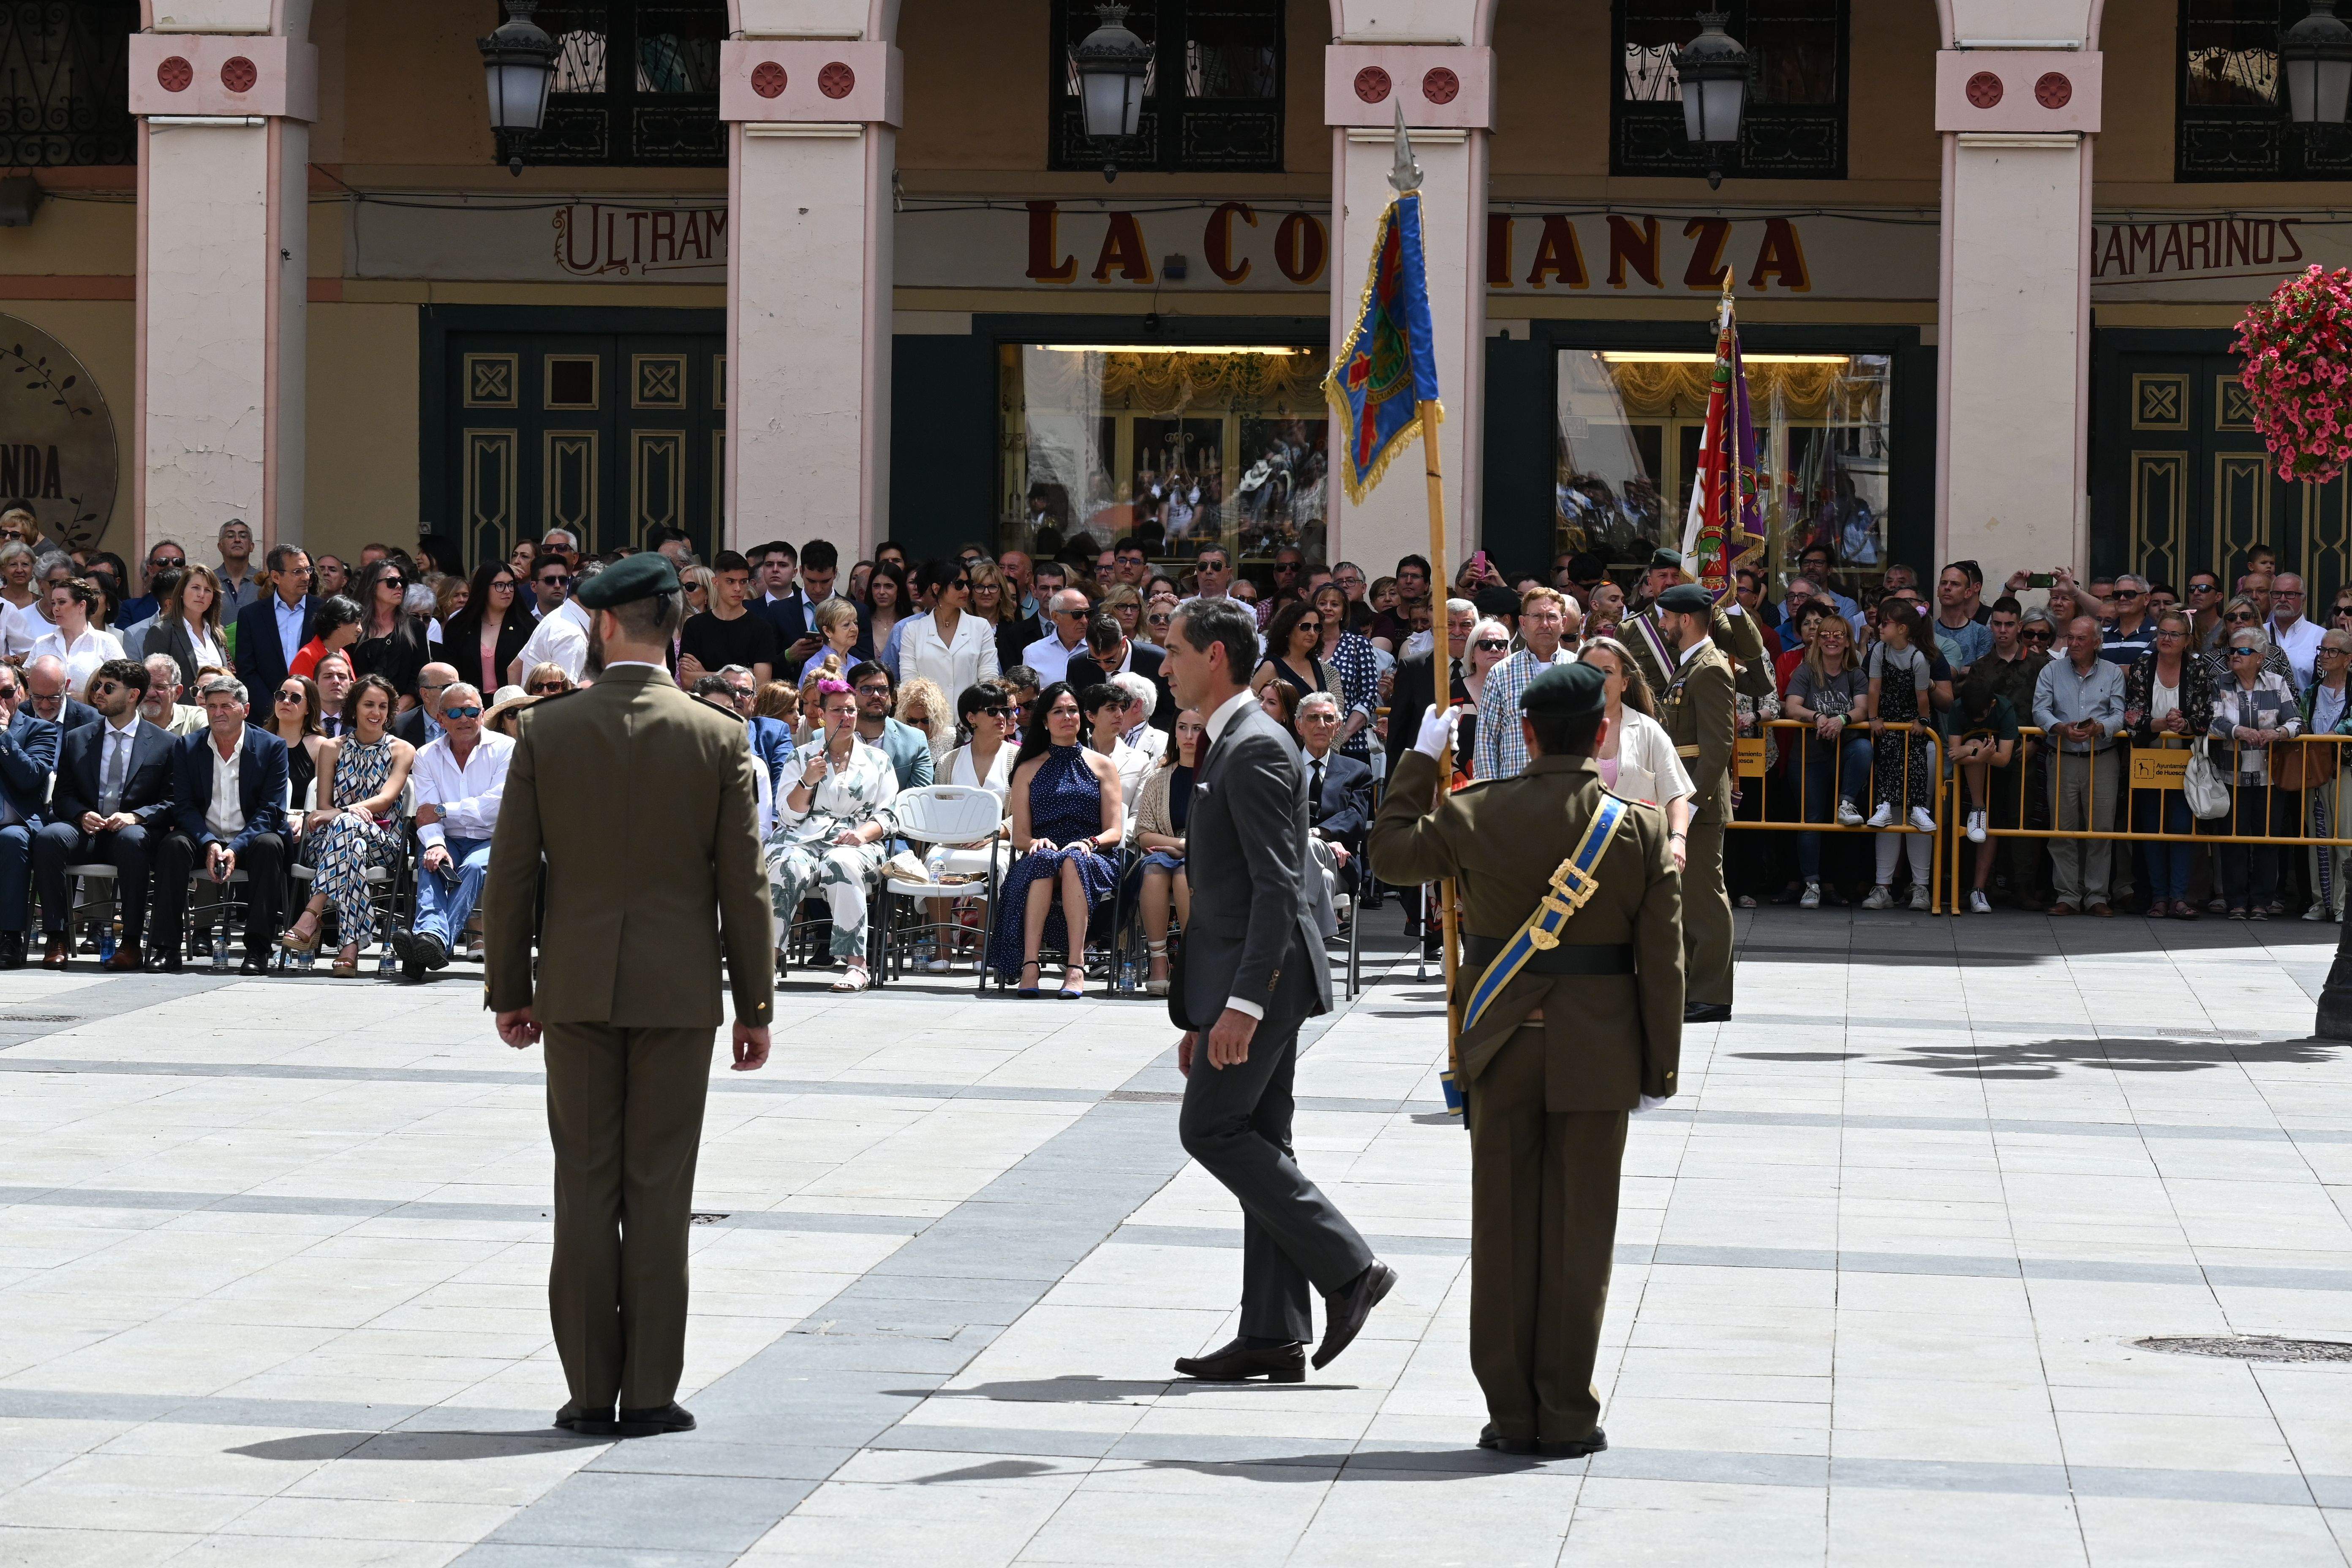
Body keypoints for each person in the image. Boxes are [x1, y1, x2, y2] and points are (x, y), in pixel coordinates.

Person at [485, 551, 772, 1440]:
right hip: (679, 992)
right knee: (659, 1189)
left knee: (585, 1185)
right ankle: (649, 1390)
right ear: (673, 629)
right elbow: (744, 885)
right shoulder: (719, 736)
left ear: (605, 626)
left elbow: (511, 875)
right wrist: (754, 1003)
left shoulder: (548, 730)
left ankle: (586, 1392)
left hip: (572, 988)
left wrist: (509, 988)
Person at [1369, 662, 1679, 1455]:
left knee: (1504, 1228)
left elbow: (1390, 855)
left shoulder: (1475, 811)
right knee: (1581, 1235)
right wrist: (1657, 1067)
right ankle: (1568, 1412)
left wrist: (1416, 757)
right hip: (1599, 1051)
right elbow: (1663, 959)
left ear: (1527, 732)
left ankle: (1510, 1411)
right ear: (1602, 733)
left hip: (1502, 1043)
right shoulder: (1637, 826)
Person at [1155, 596, 1390, 1385]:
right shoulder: (1235, 741)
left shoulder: (1253, 747)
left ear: (1214, 656)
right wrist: (1204, 1008)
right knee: (1261, 1140)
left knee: (1212, 1130)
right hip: (1247, 980)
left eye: (1176, 652)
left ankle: (1349, 1266)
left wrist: (1242, 1005)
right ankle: (1272, 1331)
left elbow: (1274, 887)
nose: (1165, 666)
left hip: (1267, 981)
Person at [33, 659, 175, 969]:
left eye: (108, 688)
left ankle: (131, 943)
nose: (98, 693)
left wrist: (136, 816)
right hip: (88, 831)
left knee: (132, 839)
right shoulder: (78, 738)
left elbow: (173, 801)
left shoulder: (165, 744)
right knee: (49, 837)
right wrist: (82, 814)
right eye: (97, 686)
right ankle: (56, 938)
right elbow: (63, 797)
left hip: (132, 833)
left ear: (134, 695)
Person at [149, 674, 289, 974]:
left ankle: (257, 949)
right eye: (212, 706)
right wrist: (209, 842)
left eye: (226, 705)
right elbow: (182, 806)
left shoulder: (271, 747)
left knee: (271, 844)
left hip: (250, 839)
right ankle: (167, 948)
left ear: (246, 710)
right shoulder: (187, 747)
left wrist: (236, 847)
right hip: (203, 837)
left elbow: (271, 810)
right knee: (172, 846)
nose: (218, 713)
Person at [277, 674, 417, 974]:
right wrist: (343, 815)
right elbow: (323, 804)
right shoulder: (331, 748)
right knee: (349, 837)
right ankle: (349, 947)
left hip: (384, 841)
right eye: (368, 704)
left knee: (347, 825)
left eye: (383, 706)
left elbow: (386, 799)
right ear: (354, 707)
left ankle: (312, 913)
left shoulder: (402, 749)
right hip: (333, 841)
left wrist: (344, 812)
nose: (376, 713)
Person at [989, 681, 1121, 998]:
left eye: (1073, 710)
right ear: (1045, 721)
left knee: (1073, 859)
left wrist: (1089, 843)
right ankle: (1030, 965)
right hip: (1042, 853)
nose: (1068, 717)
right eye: (1059, 711)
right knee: (1046, 860)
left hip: (1092, 855)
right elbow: (1020, 835)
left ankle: (1076, 966)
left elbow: (1115, 832)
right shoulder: (1028, 769)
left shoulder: (1103, 766)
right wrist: (1035, 843)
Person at [768, 678, 898, 993]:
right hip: (802, 837)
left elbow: (890, 814)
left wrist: (861, 836)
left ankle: (856, 965)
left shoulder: (878, 761)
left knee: (842, 863)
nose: (846, 717)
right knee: (786, 865)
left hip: (856, 839)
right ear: (822, 715)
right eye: (837, 710)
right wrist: (808, 781)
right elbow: (788, 815)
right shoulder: (801, 757)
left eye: (851, 710)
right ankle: (766, 961)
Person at [387, 680, 511, 978]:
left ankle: (431, 941)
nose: (465, 719)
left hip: (495, 837)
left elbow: (496, 804)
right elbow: (426, 813)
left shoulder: (507, 749)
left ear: (482, 714)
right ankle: (430, 940)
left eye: (471, 711)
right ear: (441, 719)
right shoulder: (427, 755)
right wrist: (435, 844)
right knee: (433, 863)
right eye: (455, 713)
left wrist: (446, 810)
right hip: (448, 836)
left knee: (471, 868)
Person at [1654, 584, 1735, 1020]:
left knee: (1705, 898)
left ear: (1685, 620)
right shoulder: (1689, 666)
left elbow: (1718, 746)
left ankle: (1712, 994)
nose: (1663, 625)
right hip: (1682, 798)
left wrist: (1693, 805)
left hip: (1696, 802)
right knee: (1687, 898)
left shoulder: (1709, 668)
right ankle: (1692, 988)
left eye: (1667, 617)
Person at [2121, 609, 2213, 921]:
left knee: (2181, 829)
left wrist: (2184, 723)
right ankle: (2158, 897)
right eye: (2162, 633)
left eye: (2175, 634)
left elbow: (2205, 717)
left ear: (2187, 640)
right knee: (2152, 830)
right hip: (2149, 761)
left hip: (2185, 764)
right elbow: (2132, 716)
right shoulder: (2143, 667)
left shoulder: (2198, 669)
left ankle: (2179, 897)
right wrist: (2159, 723)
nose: (2167, 639)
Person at [2034, 617, 2127, 917]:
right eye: (2070, 638)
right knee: (2062, 831)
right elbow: (2040, 710)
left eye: (2081, 639)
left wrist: (2100, 727)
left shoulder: (2113, 672)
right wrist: (2060, 728)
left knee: (2100, 831)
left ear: (2097, 642)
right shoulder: (2051, 671)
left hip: (2102, 758)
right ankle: (2067, 895)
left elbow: (2120, 713)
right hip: (2062, 756)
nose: (2073, 644)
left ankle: (2097, 895)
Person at [2210, 624, 2300, 919]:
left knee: (2267, 841)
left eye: (2244, 651)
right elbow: (2212, 720)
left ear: (2260, 657)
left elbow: (2297, 722)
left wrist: (2279, 733)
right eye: (2233, 651)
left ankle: (2261, 901)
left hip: (2268, 778)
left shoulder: (2276, 683)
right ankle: (2236, 901)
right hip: (2230, 777)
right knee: (2233, 841)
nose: (2236, 656)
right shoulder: (2219, 683)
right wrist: (2238, 731)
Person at [1781, 613, 1870, 908]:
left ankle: (1848, 802)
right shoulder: (1806, 672)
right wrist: (1817, 717)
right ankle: (1811, 884)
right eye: (1825, 635)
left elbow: (1862, 710)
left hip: (1843, 755)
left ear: (1848, 643)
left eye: (1838, 635)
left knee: (1864, 749)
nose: (1831, 639)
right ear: (1817, 642)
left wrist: (1842, 720)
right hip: (1808, 757)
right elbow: (1792, 708)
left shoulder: (1855, 675)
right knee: (1811, 820)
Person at [1862, 592, 1940, 912]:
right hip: (1888, 730)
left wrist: (1922, 722)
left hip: (1912, 731)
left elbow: (1923, 697)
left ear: (1904, 629)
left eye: (1886, 623)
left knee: (1915, 811)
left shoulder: (1918, 658)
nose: (1880, 627)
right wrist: (1873, 718)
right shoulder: (1878, 651)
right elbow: (1874, 688)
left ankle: (1921, 887)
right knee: (1891, 809)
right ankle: (1883, 886)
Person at [1577, 634, 1693, 844]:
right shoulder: (1563, 731)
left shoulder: (1649, 731)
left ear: (1625, 682)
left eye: (1607, 672)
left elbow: (1676, 796)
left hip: (1636, 855)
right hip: (1579, 857)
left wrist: (1678, 840)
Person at [1132, 706, 1203, 996]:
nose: (1189, 736)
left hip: (1207, 858)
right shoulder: (1159, 778)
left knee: (1184, 875)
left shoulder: (1221, 776)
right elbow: (1142, 832)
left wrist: (1190, 848)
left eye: (1197, 729)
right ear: (1174, 732)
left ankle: (1190, 962)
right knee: (1153, 871)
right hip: (1165, 854)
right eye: (1183, 727)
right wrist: (1179, 845)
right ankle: (1159, 961)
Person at [1471, 587, 1577, 781]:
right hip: (1513, 795)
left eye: (1551, 617)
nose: (1545, 624)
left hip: (1566, 790)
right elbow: (1485, 742)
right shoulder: (1501, 673)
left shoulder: (1581, 669)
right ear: (1523, 622)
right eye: (1537, 616)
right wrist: (1491, 796)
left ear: (1564, 623)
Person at [1296, 691, 1372, 923]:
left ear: (1338, 727)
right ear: (1299, 726)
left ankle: (1300, 933)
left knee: (1323, 862)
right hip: (1289, 859)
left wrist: (1321, 836)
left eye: (1328, 719)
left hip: (1341, 862)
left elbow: (1357, 818)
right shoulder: (1284, 767)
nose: (1321, 725)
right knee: (1324, 879)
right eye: (1313, 718)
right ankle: (1317, 940)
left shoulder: (1357, 771)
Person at [0, 663, 57, 968]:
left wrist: (3, 736)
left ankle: (10, 936)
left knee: (11, 840)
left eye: (6, 693)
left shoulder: (40, 729)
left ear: (20, 693)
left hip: (15, 823)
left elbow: (31, 777)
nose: (1, 700)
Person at [895, 559, 1000, 700]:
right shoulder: (912, 630)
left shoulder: (981, 627)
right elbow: (910, 683)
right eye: (959, 585)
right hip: (927, 717)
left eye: (968, 584)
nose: (966, 590)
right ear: (936, 588)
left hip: (971, 718)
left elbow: (989, 679)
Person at [2303, 629, 2352, 920]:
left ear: (2348, 659)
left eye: (2332, 651)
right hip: (2316, 771)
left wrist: (2338, 733)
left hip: (2347, 770)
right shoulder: (2312, 692)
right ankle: (2321, 903)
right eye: (2322, 650)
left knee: (2346, 839)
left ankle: (2345, 906)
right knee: (2318, 838)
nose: (2325, 656)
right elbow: (2301, 720)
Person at [678, 550, 779, 689]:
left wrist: (705, 674)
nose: (738, 588)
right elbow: (687, 680)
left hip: (744, 709)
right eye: (730, 581)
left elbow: (761, 685)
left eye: (743, 582)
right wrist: (740, 675)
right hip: (705, 708)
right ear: (716, 582)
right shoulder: (695, 625)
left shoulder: (762, 628)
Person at [1066, 612, 1173, 738]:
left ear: (1123, 642)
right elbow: (1078, 713)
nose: (1104, 666)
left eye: (1110, 660)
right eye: (1095, 659)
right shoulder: (1078, 666)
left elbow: (1171, 713)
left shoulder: (1157, 661)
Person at [231, 544, 314, 697]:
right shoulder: (251, 616)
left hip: (313, 708)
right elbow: (247, 670)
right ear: (276, 577)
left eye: (308, 570)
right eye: (298, 572)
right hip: (266, 712)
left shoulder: (323, 611)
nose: (306, 577)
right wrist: (273, 708)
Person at [445, 558, 532, 698]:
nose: (507, 591)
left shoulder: (527, 627)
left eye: (511, 585)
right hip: (468, 707)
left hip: (512, 707)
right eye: (499, 585)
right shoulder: (458, 627)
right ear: (483, 588)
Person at [348, 558, 433, 702]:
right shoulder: (353, 626)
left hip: (403, 714)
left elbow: (420, 678)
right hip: (358, 712)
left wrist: (396, 713)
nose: (399, 586)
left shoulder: (415, 627)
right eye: (391, 582)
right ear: (372, 586)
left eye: (403, 582)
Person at [30, 577, 124, 696]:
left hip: (94, 714)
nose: (55, 609)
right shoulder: (42, 643)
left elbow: (121, 688)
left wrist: (87, 699)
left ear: (81, 606)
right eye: (54, 603)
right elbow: (28, 686)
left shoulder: (106, 642)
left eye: (62, 602)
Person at [847, 661, 933, 791]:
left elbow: (918, 799)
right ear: (851, 694)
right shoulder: (827, 737)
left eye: (883, 690)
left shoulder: (915, 741)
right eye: (867, 689)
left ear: (891, 697)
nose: (876, 695)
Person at [509, 557, 594, 688]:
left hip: (536, 707)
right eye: (550, 580)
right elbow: (563, 696)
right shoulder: (571, 635)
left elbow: (514, 669)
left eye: (563, 580)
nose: (557, 585)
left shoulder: (555, 618)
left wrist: (518, 706)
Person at [264, 672, 334, 821]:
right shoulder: (260, 740)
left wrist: (302, 820)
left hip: (304, 825)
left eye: (295, 698)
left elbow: (322, 800)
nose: (286, 701)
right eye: (281, 696)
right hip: (264, 820)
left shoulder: (320, 745)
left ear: (309, 708)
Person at [148, 561, 228, 690]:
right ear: (181, 592)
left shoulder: (217, 633)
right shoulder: (162, 631)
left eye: (208, 590)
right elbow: (155, 683)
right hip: (183, 709)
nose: (201, 594)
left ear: (213, 598)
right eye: (196, 587)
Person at [1021, 588, 1093, 686]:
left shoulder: (1097, 650)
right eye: (1077, 614)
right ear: (1056, 617)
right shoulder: (1033, 653)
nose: (1085, 621)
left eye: (1088, 613)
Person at [289, 593, 363, 681]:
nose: (360, 630)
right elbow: (299, 692)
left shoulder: (344, 654)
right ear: (339, 623)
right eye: (356, 623)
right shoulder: (307, 656)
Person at [393, 662, 458, 749]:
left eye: (458, 686)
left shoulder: (468, 721)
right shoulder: (398, 728)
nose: (456, 692)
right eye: (448, 687)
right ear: (425, 694)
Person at [140, 654, 207, 736]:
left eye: (160, 687)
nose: (150, 693)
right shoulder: (128, 722)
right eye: (146, 685)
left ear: (177, 692)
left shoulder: (194, 719)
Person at [212, 518, 260, 615]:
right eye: (230, 536)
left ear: (252, 546)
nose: (237, 540)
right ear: (220, 546)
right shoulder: (209, 580)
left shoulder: (264, 581)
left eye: (243, 536)